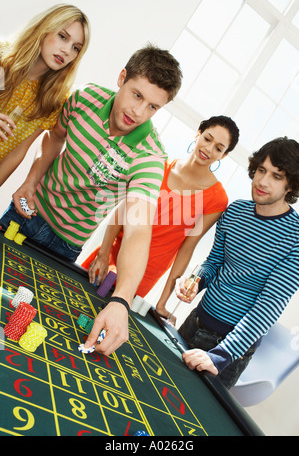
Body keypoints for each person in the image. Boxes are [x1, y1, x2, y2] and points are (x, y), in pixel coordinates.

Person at [0, 44, 182, 356]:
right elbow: (55, 136)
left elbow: (138, 229)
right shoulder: (84, 98)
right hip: (24, 213)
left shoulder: (151, 157)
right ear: (122, 78)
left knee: (18, 328)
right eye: (137, 95)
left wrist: (121, 300)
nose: (139, 112)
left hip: (64, 245)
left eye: (153, 107)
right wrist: (31, 180)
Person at [83, 116, 239, 325]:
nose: (209, 149)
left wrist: (162, 302)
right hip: (113, 252)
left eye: (219, 148)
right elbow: (123, 211)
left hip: (145, 272)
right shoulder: (159, 167)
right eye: (208, 139)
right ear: (198, 134)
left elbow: (187, 247)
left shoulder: (216, 198)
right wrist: (102, 255)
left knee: (105, 324)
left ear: (224, 155)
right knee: (73, 300)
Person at [175, 137, 299, 389]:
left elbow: (268, 308)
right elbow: (213, 264)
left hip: (229, 350)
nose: (263, 181)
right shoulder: (235, 212)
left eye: (277, 176)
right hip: (196, 320)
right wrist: (195, 281)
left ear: (291, 185)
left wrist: (219, 356)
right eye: (261, 170)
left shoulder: (295, 238)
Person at [0, 4, 90, 185]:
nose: (66, 50)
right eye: (62, 37)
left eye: (76, 48)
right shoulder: (3, 60)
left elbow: (18, 152)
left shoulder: (54, 99)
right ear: (44, 29)